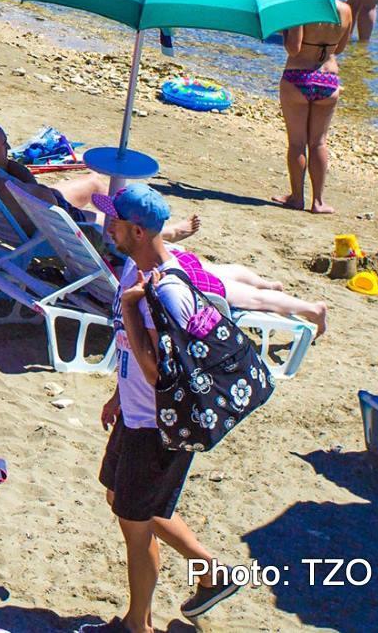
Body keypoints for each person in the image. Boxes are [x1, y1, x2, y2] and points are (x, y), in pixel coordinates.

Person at [94, 184, 240, 631]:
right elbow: (130, 347)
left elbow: (163, 374)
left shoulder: (168, 292)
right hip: (135, 415)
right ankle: (214, 572)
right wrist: (118, 393)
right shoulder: (132, 268)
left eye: (113, 219)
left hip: (158, 429)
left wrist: (135, 309)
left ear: (136, 230)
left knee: (135, 523)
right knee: (123, 499)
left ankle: (138, 626)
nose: (107, 224)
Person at [279, 0, 354, 214]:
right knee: (319, 143)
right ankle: (318, 202)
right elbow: (338, 49)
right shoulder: (346, 10)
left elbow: (294, 49)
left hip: (298, 76)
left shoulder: (301, 7)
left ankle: (296, 197)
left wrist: (285, 30)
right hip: (329, 79)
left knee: (297, 143)